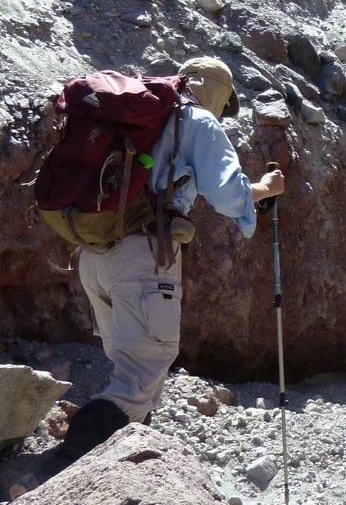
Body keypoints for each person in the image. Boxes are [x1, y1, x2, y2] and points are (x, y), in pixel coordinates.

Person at [42, 57, 285, 476]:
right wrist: (264, 189)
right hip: (143, 258)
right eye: (224, 103)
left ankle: (121, 470)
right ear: (216, 93)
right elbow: (227, 195)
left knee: (134, 366)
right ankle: (63, 473)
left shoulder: (140, 118)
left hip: (95, 256)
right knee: (143, 371)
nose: (221, 112)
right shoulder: (196, 121)